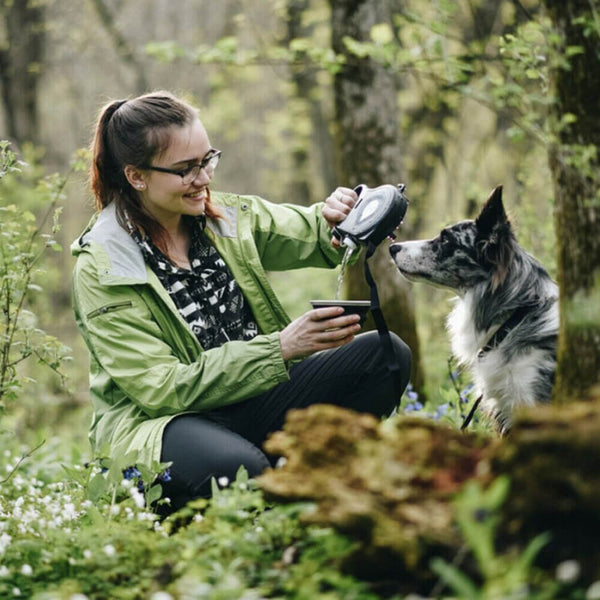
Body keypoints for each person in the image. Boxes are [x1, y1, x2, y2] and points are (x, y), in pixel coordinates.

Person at [71, 90, 411, 514]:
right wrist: (281, 348)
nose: (204, 178)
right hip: (160, 426)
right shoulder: (103, 266)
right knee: (239, 469)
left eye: (207, 160)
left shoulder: (220, 216)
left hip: (250, 397)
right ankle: (248, 499)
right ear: (137, 176)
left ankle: (312, 490)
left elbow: (306, 230)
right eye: (185, 169)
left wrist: (345, 219)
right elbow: (160, 388)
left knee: (385, 355)